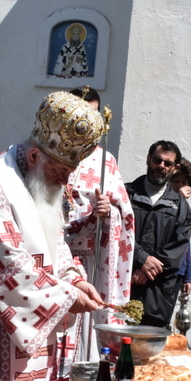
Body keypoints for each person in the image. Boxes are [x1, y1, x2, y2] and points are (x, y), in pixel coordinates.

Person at [0, 91, 106, 381]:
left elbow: (55, 245)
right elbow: (10, 271)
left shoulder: (38, 184)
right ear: (34, 157)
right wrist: (68, 297)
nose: (64, 183)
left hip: (32, 336)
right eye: (61, 172)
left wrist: (73, 279)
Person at [63, 86, 135, 357]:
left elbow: (125, 215)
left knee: (86, 324)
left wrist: (108, 211)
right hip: (52, 252)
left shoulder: (104, 160)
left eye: (93, 115)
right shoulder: (52, 153)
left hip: (90, 259)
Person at [126, 140, 191, 327]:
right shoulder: (125, 194)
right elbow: (116, 233)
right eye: (157, 160)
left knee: (151, 345)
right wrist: (140, 259)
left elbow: (177, 249)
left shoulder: (181, 207)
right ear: (148, 159)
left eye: (168, 163)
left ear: (175, 168)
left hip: (157, 297)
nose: (161, 166)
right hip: (123, 287)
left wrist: (145, 270)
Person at [171, 158, 191, 296]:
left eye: (184, 182)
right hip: (164, 269)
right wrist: (178, 199)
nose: (180, 186)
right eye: (176, 181)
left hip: (179, 270)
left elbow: (186, 242)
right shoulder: (165, 205)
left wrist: (187, 276)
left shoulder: (185, 208)